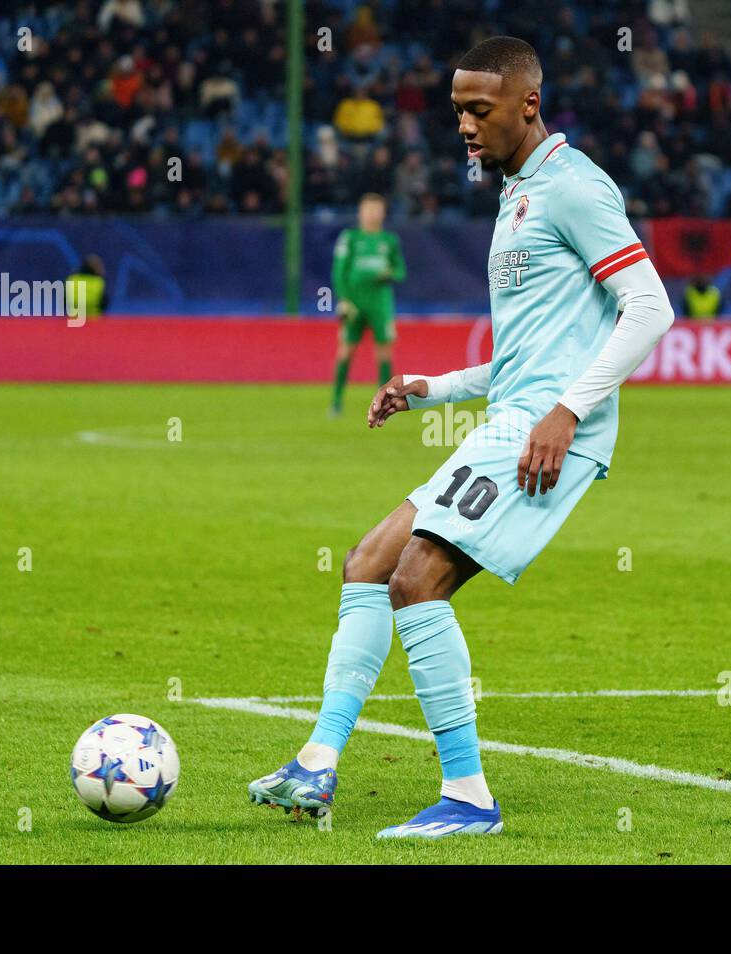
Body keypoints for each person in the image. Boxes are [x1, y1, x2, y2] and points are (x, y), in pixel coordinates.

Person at [249, 37, 674, 838]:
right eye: (457, 112)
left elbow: (651, 308)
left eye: (480, 110)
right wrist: (430, 389)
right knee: (369, 562)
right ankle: (317, 763)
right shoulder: (517, 195)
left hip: (544, 434)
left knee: (416, 581)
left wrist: (570, 411)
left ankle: (468, 796)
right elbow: (521, 360)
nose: (466, 127)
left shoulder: (575, 188)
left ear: (528, 104)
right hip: (513, 417)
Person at [329, 192, 406, 416]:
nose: (372, 214)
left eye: (376, 210)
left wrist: (390, 272)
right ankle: (336, 402)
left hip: (380, 305)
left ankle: (384, 403)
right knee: (345, 352)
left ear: (383, 213)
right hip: (354, 304)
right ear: (360, 213)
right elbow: (338, 271)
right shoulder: (350, 238)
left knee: (384, 354)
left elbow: (401, 271)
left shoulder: (389, 241)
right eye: (368, 210)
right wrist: (343, 299)